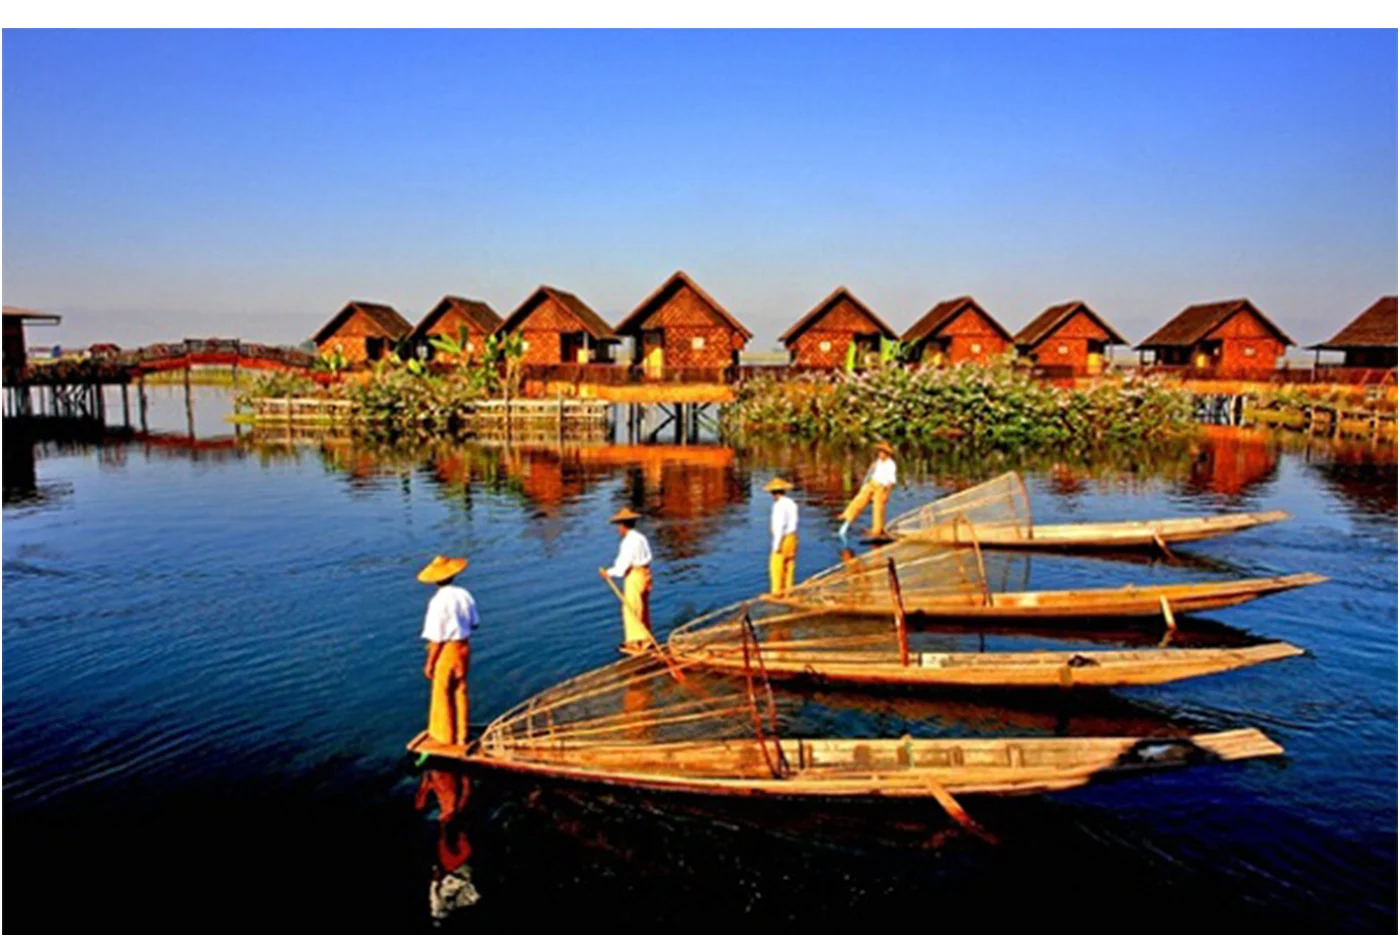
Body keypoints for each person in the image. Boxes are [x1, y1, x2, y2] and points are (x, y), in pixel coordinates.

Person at [418, 555, 477, 750]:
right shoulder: (464, 594)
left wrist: (429, 663)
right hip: (464, 648)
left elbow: (436, 638)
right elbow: (474, 623)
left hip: (447, 650)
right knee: (460, 689)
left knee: (442, 692)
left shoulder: (437, 602)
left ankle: (445, 737)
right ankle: (462, 735)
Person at [598, 508, 653, 651]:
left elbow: (622, 566)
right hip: (645, 574)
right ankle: (646, 639)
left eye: (619, 526)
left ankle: (636, 642)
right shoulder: (641, 538)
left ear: (623, 526)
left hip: (635, 575)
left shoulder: (629, 542)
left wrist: (608, 573)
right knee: (642, 607)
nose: (618, 529)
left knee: (631, 608)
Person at [839, 441, 897, 542]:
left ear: (887, 453)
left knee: (878, 508)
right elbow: (871, 472)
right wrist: (869, 472)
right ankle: (848, 514)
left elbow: (891, 481)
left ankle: (876, 530)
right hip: (872, 483)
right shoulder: (878, 461)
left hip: (881, 487)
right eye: (880, 452)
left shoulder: (891, 465)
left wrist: (887, 494)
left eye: (882, 452)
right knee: (860, 498)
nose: (880, 454)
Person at [765, 477, 799, 596]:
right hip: (793, 537)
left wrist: (776, 545)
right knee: (789, 566)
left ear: (772, 493)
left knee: (776, 568)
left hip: (783, 539)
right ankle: (789, 592)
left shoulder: (778, 506)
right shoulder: (792, 503)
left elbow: (779, 526)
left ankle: (777, 594)